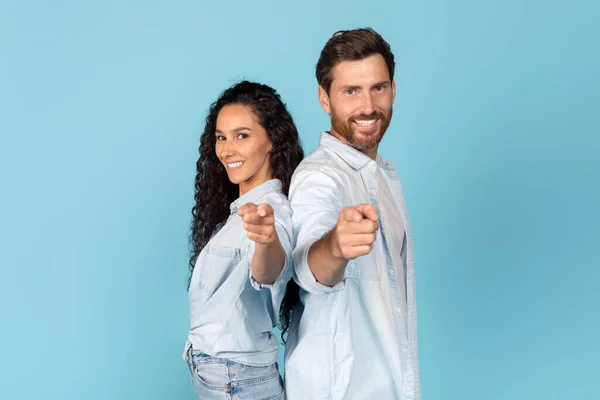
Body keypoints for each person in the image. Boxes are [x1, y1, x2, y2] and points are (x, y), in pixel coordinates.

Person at [281, 28, 421, 399]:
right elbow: (308, 267)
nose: (368, 106)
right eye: (350, 91)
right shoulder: (319, 176)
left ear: (393, 89)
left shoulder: (386, 177)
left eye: (378, 87)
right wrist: (336, 247)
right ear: (324, 99)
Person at [183, 80, 304, 399]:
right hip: (224, 375)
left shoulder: (272, 212)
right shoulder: (236, 213)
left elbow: (270, 272)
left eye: (242, 135)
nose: (226, 149)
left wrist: (266, 241)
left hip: (234, 379)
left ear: (272, 141)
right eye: (221, 137)